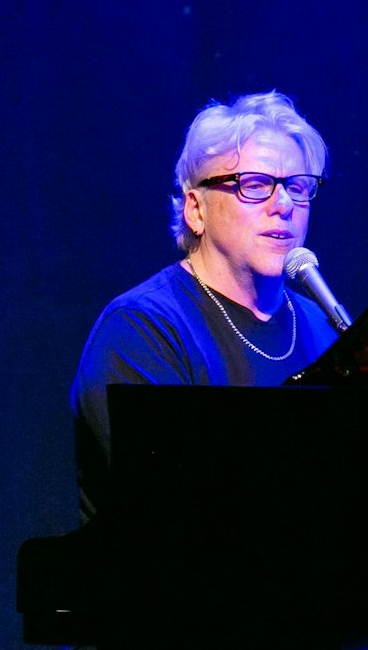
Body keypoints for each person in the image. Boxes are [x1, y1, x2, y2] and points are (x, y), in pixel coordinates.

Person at [70, 91, 339, 519]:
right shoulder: (143, 329)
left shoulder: (324, 329)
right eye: (254, 185)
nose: (284, 205)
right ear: (196, 209)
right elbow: (173, 508)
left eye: (298, 187)